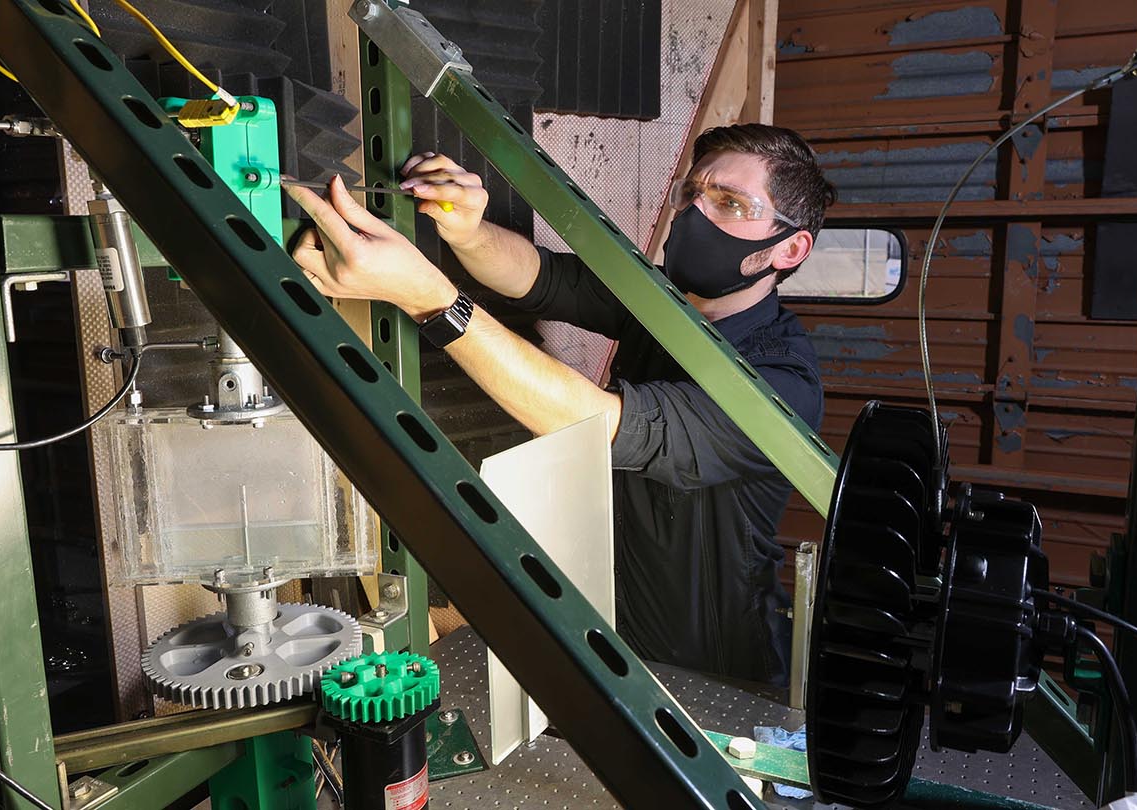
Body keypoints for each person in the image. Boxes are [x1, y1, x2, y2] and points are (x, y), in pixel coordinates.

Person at [284, 123, 835, 686]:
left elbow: (596, 423)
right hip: (601, 616)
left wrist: (430, 298)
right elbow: (542, 277)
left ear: (789, 247)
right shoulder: (667, 301)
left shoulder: (780, 384)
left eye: (731, 204)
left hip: (707, 672)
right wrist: (468, 231)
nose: (695, 213)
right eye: (693, 193)